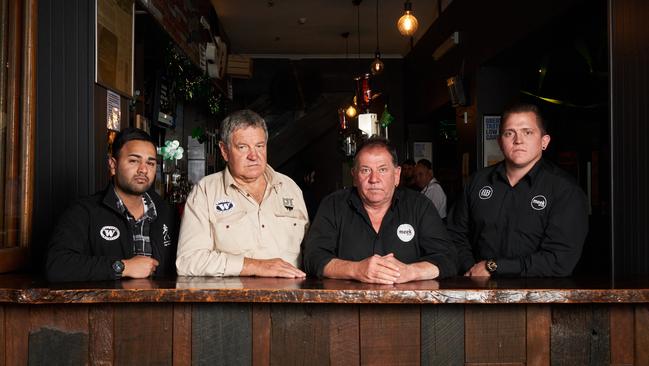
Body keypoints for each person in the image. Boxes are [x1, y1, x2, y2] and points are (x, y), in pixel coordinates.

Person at [447, 103, 588, 277]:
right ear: (500, 142)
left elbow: (560, 260)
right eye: (509, 133)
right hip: (478, 293)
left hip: (539, 298)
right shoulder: (477, 182)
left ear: (544, 142)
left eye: (527, 132)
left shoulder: (565, 190)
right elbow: (454, 235)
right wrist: (472, 270)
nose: (518, 140)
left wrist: (493, 267)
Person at [303, 137, 457, 284]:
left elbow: (448, 258)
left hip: (410, 308)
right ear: (354, 176)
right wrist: (355, 269)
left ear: (396, 175)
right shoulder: (333, 205)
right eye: (365, 170)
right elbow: (313, 257)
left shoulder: (419, 206)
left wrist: (410, 271)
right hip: (344, 309)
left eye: (382, 170)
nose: (374, 179)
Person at [176, 110, 309, 278]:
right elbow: (188, 261)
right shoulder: (205, 192)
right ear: (224, 151)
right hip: (232, 301)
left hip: (291, 299)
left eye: (259, 146)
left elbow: (312, 254)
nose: (254, 156)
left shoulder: (290, 188)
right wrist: (254, 266)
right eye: (243, 147)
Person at [46, 128, 178, 282]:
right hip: (105, 306)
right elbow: (56, 265)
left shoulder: (167, 213)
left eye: (150, 163)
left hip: (161, 305)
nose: (143, 169)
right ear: (113, 165)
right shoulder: (84, 211)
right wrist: (123, 267)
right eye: (134, 160)